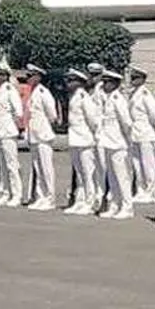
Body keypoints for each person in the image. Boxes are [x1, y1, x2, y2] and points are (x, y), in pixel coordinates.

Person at [95, 69, 135, 219]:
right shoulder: (109, 98)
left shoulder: (118, 99)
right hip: (108, 142)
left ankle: (127, 206)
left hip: (118, 143)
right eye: (104, 81)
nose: (104, 84)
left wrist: (126, 140)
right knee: (112, 177)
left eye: (108, 82)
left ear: (115, 84)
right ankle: (114, 205)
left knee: (121, 177)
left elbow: (126, 122)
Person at [62, 69, 99, 216]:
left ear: (80, 83)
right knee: (79, 174)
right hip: (76, 139)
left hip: (85, 139)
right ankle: (80, 201)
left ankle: (90, 202)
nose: (69, 83)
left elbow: (93, 120)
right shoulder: (74, 97)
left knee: (88, 173)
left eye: (72, 80)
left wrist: (94, 137)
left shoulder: (84, 97)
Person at [22, 65, 58, 210]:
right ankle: (40, 196)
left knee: (46, 168)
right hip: (34, 135)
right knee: (38, 168)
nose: (28, 79)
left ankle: (50, 198)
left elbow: (52, 114)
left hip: (43, 134)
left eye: (31, 76)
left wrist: (44, 125)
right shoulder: (33, 92)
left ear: (38, 77)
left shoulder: (43, 92)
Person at [0, 63, 25, 206]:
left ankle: (17, 194)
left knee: (12, 165)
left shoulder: (10, 90)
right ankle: (5, 192)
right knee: (3, 166)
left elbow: (18, 111)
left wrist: (15, 125)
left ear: (4, 76)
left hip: (8, 131)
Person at [127, 67, 155, 204]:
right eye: (132, 77)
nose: (132, 80)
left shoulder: (146, 94)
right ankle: (141, 190)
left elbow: (154, 116)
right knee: (137, 164)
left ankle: (151, 192)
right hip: (135, 133)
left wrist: (151, 130)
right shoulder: (133, 93)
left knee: (148, 165)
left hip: (146, 133)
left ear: (142, 79)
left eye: (135, 78)